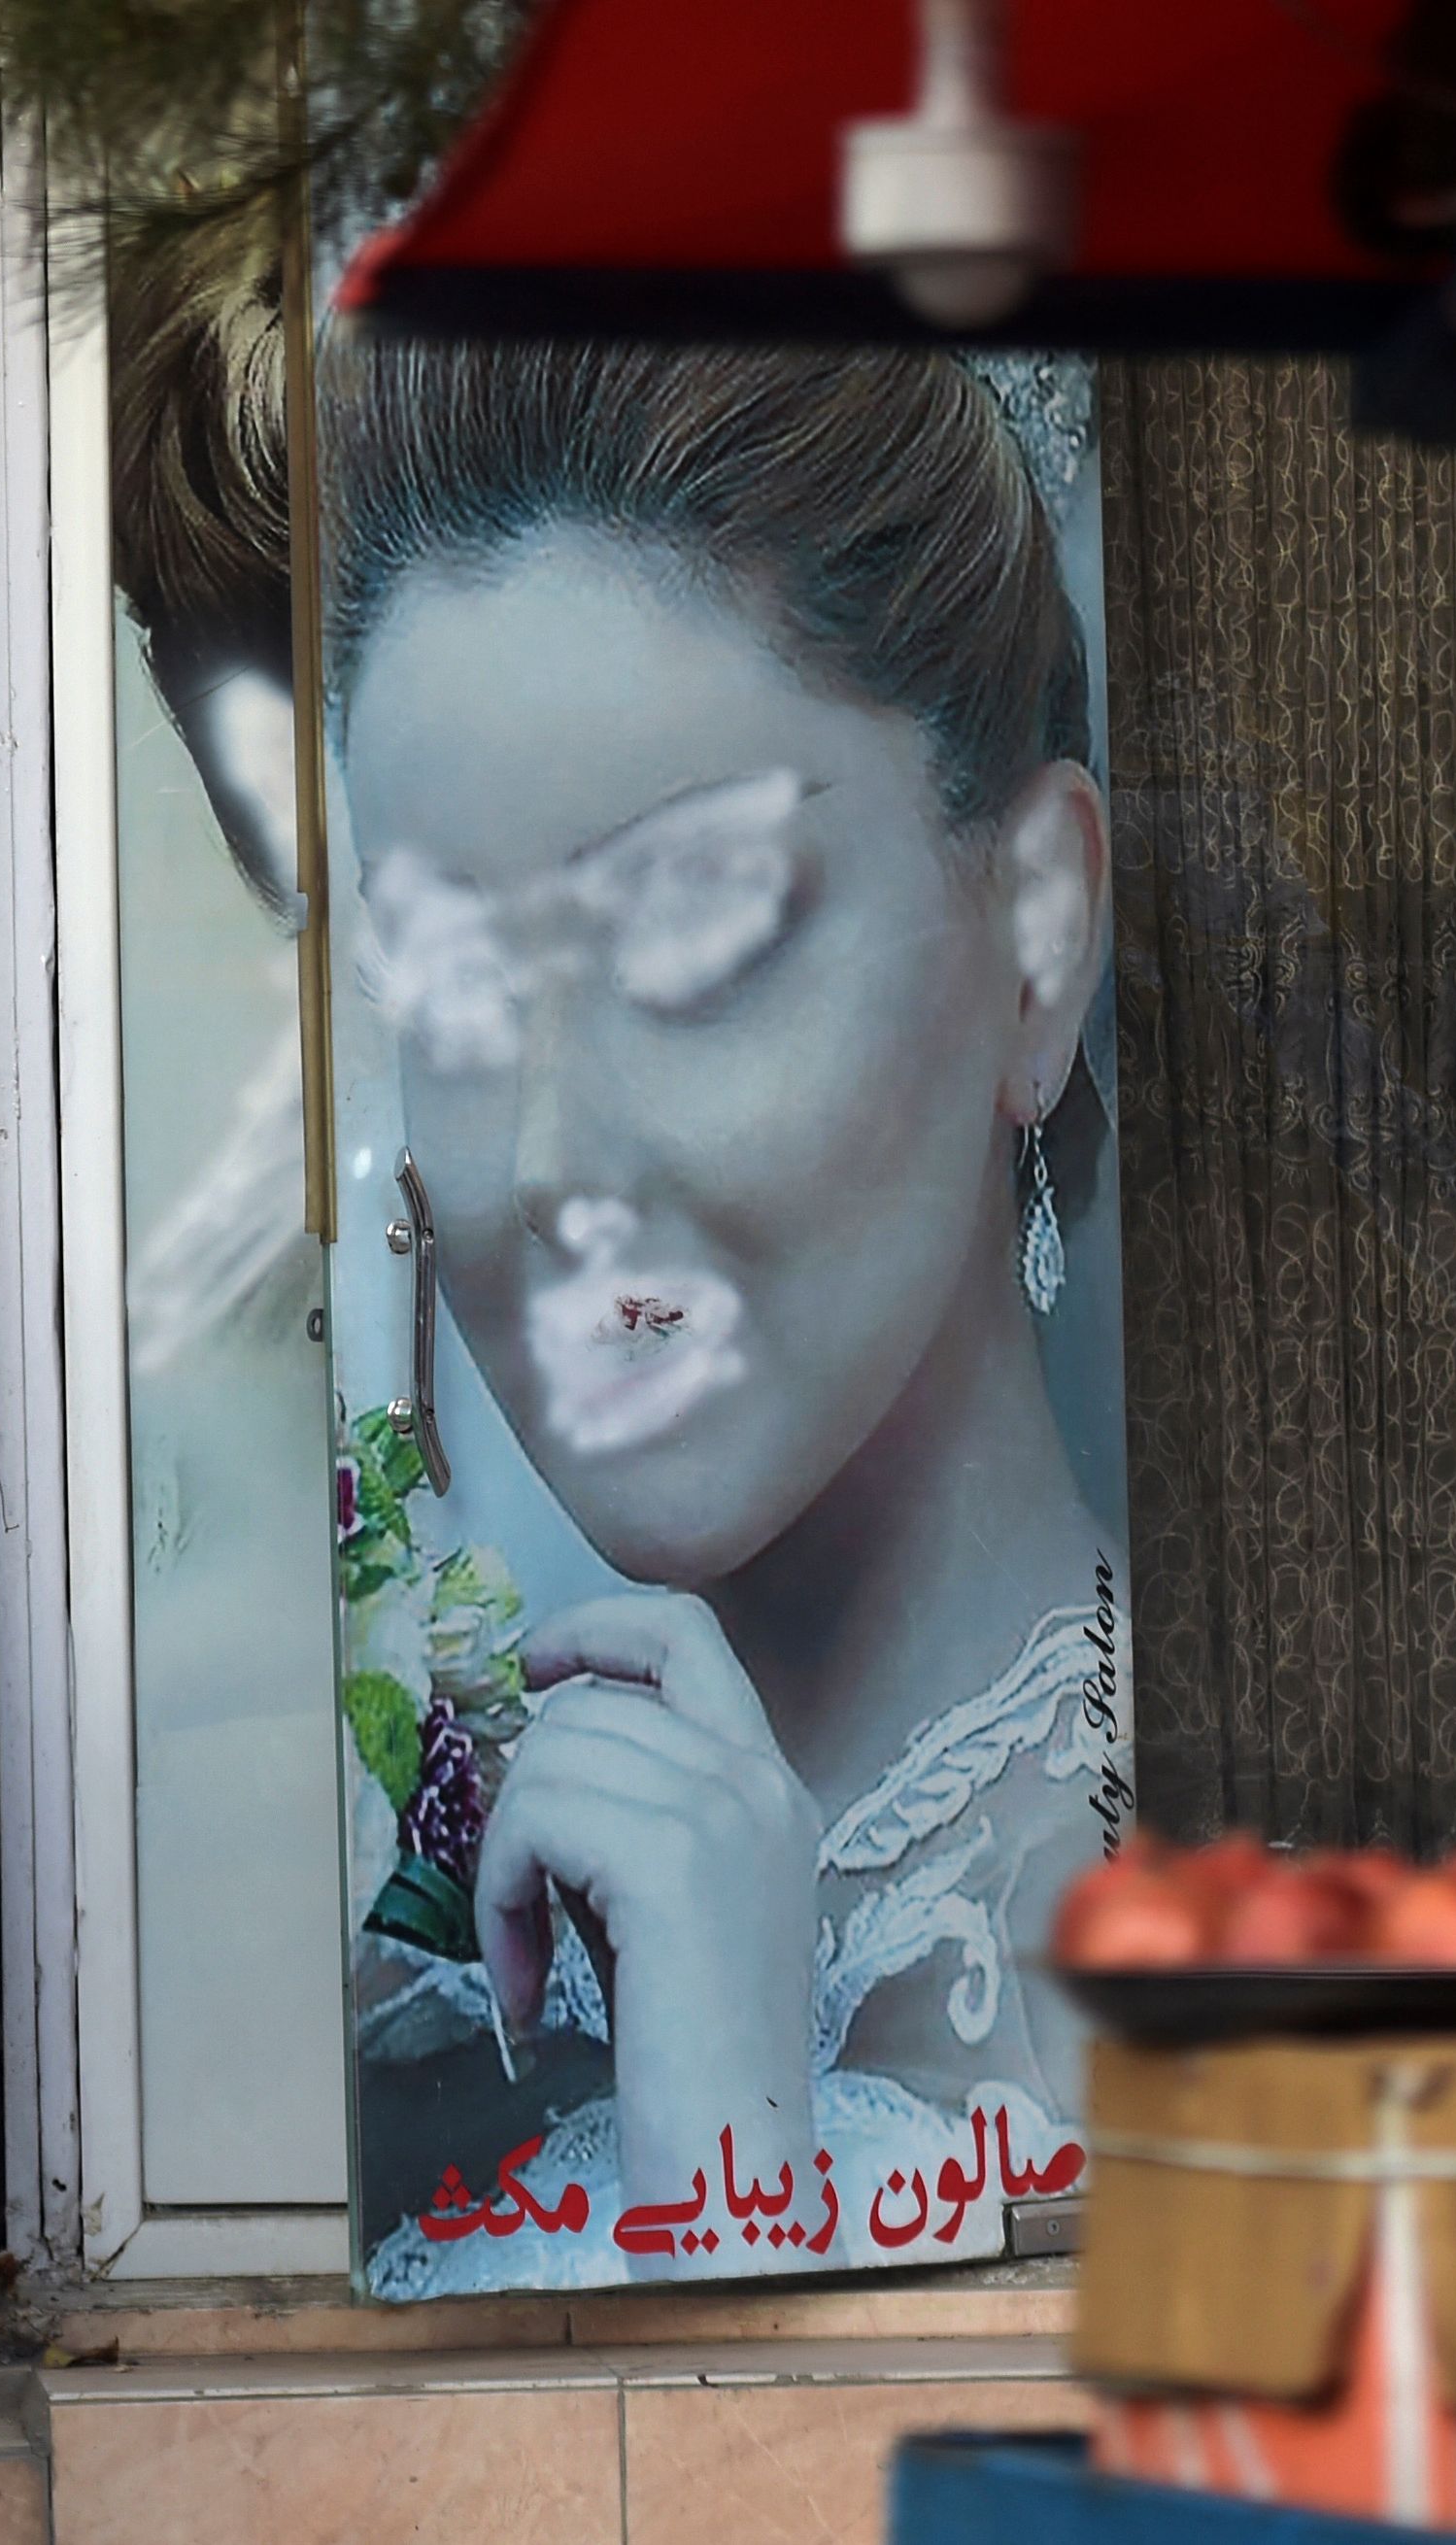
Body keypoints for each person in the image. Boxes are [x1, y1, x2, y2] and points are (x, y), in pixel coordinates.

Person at [321, 339, 1126, 2290]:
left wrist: (728, 2178)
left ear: (1036, 942)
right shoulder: (418, 1975)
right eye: (456, 999)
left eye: (692, 934)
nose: (541, 1159)